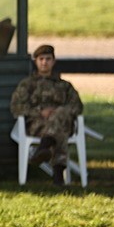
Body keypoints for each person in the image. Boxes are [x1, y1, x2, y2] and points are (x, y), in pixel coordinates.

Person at [10, 45, 84, 186]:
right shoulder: (28, 85)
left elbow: (77, 106)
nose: (44, 62)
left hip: (63, 122)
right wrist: (39, 112)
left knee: (60, 116)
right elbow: (16, 107)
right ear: (36, 61)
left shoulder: (64, 86)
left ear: (54, 61)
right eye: (41, 59)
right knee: (59, 131)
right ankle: (58, 176)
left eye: (48, 59)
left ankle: (44, 147)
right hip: (38, 125)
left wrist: (58, 112)